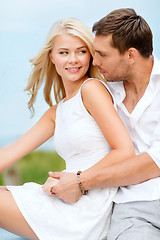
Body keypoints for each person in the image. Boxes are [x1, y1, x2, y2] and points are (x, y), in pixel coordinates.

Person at [0, 17, 135, 240]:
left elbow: (124, 151)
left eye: (81, 51)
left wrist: (77, 181)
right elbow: (11, 152)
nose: (73, 60)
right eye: (64, 52)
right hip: (65, 196)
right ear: (51, 57)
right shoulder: (56, 112)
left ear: (90, 55)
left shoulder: (91, 89)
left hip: (88, 204)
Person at [48, 8, 160, 239]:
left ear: (130, 55)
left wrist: (79, 182)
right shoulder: (103, 92)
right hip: (134, 209)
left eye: (102, 54)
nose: (95, 61)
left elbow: (154, 163)